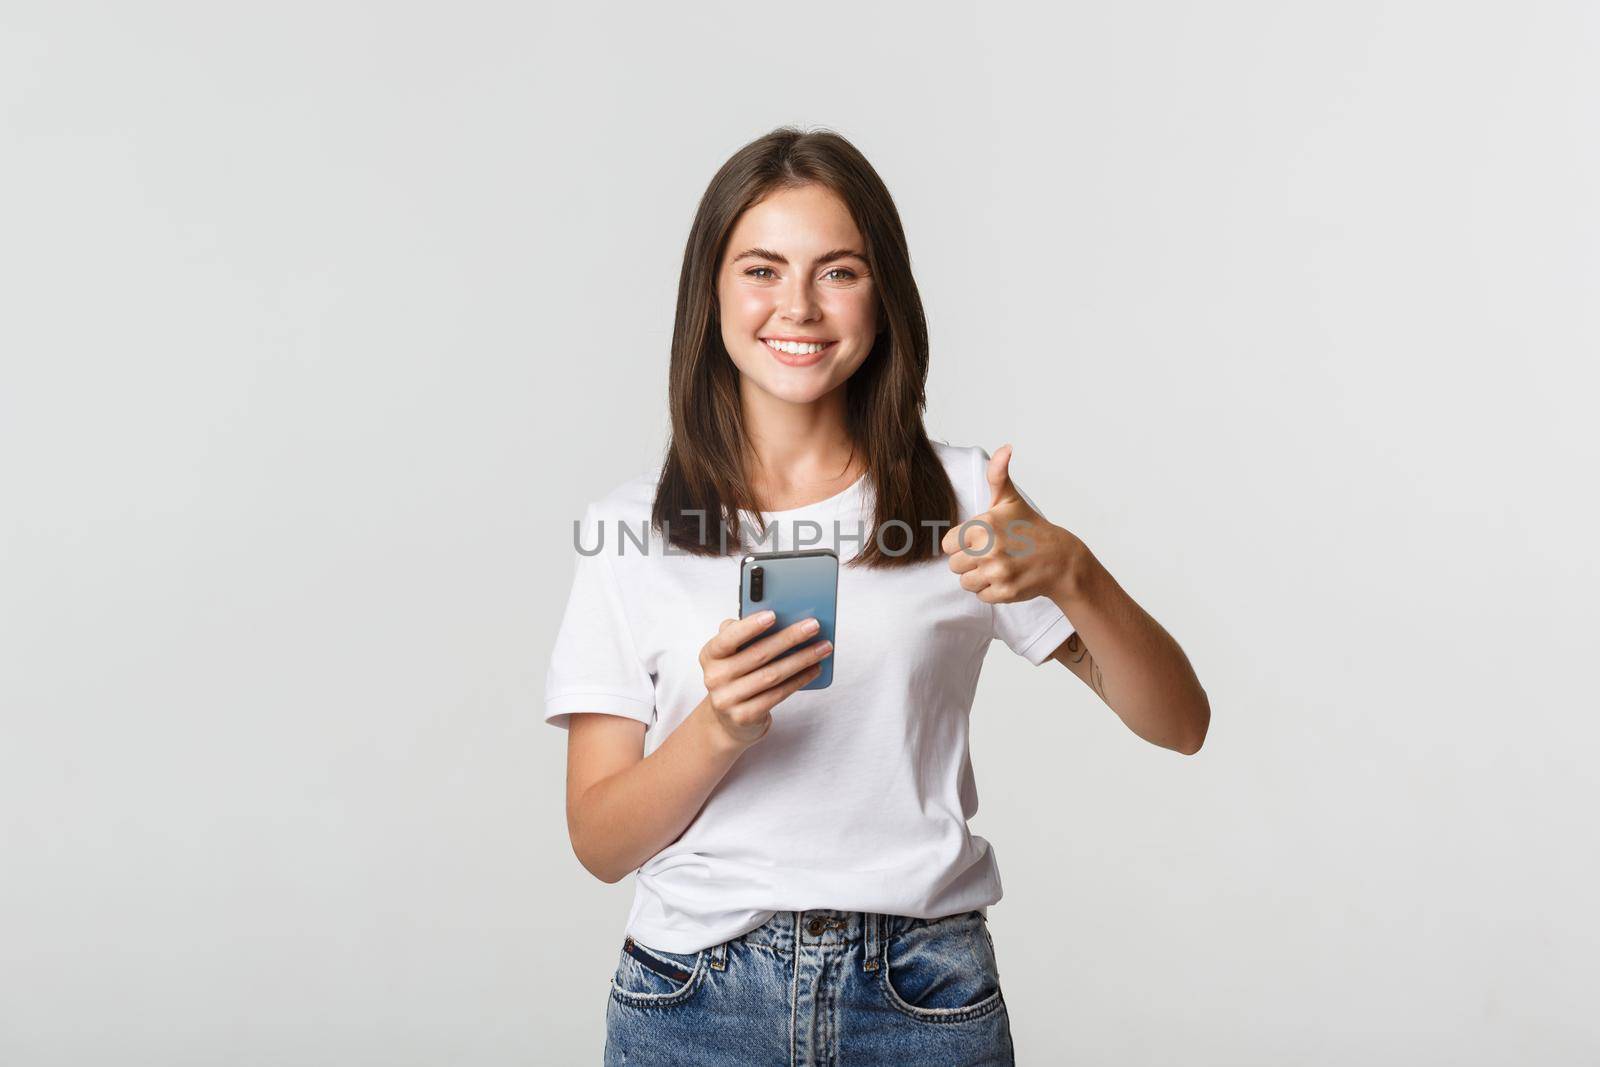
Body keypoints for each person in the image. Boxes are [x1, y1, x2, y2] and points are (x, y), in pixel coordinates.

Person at [544, 126, 1211, 1066]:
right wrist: (718, 729)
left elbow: (1180, 723)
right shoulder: (632, 529)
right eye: (762, 269)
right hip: (695, 1000)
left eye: (839, 271)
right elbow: (599, 843)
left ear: (882, 292)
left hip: (923, 994)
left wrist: (1073, 570)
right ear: (713, 291)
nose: (799, 307)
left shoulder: (967, 501)